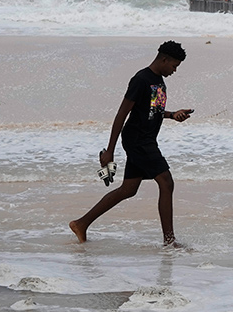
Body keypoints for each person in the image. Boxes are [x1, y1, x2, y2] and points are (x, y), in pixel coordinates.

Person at [69, 41, 192, 247]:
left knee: (128, 190)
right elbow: (121, 114)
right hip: (138, 140)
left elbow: (154, 110)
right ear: (164, 59)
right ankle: (169, 241)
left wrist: (172, 115)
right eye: (174, 66)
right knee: (166, 182)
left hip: (146, 139)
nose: (175, 70)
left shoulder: (159, 81)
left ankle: (81, 224)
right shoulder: (141, 79)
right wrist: (110, 150)